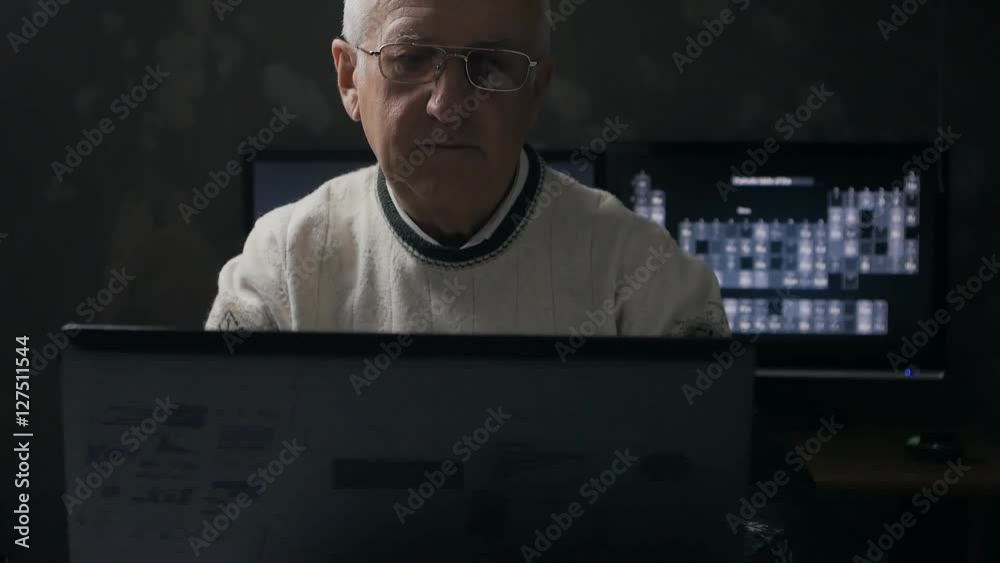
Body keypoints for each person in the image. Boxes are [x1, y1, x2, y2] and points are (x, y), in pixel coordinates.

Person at [203, 0, 729, 338]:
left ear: (537, 89)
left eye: (491, 64)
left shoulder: (645, 282)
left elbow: (694, 494)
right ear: (348, 79)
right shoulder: (281, 269)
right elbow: (223, 475)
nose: (447, 104)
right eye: (411, 60)